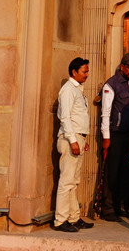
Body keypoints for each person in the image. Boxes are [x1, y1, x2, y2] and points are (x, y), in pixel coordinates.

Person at [53, 57, 95, 232]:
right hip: (71, 138)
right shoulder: (68, 90)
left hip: (78, 137)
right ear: (74, 72)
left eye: (87, 71)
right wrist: (73, 140)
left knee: (73, 181)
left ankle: (73, 217)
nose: (87, 74)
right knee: (66, 181)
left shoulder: (77, 90)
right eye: (84, 71)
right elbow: (65, 117)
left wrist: (82, 139)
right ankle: (60, 220)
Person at [100, 52, 129, 219]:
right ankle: (108, 208)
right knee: (112, 172)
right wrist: (106, 137)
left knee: (127, 172)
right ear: (122, 66)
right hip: (115, 134)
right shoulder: (111, 84)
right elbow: (106, 112)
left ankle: (120, 205)